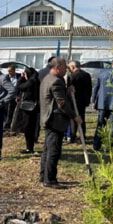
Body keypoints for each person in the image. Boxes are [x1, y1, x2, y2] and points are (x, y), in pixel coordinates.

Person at [39, 58, 81, 189]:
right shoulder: (56, 81)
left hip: (48, 118)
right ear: (58, 67)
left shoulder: (48, 78)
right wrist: (75, 116)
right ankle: (50, 180)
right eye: (65, 67)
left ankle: (43, 176)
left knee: (47, 149)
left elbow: (57, 97)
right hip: (55, 120)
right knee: (53, 150)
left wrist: (68, 91)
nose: (67, 69)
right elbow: (61, 103)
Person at [91, 58, 113, 151]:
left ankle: (96, 145)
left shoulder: (102, 73)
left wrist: (94, 100)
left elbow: (96, 87)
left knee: (100, 124)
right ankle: (108, 147)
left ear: (112, 64)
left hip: (102, 102)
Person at [12, 67, 40, 154]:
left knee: (28, 128)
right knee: (29, 128)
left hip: (29, 108)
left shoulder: (31, 81)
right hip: (33, 107)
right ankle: (29, 147)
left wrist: (21, 78)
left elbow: (20, 87)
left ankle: (29, 147)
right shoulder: (36, 80)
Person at [66, 61, 92, 142]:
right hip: (83, 100)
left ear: (73, 67)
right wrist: (87, 99)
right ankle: (82, 135)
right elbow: (89, 89)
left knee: (73, 118)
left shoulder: (72, 76)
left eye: (69, 67)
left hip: (74, 100)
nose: (69, 69)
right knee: (82, 117)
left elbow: (69, 89)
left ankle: (72, 136)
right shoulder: (87, 75)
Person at [3, 65, 21, 131]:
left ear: (14, 70)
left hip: (16, 97)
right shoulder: (6, 77)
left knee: (14, 112)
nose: (9, 72)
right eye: (8, 71)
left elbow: (20, 87)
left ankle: (14, 126)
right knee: (7, 111)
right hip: (8, 96)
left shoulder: (19, 77)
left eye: (10, 71)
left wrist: (18, 96)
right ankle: (6, 125)